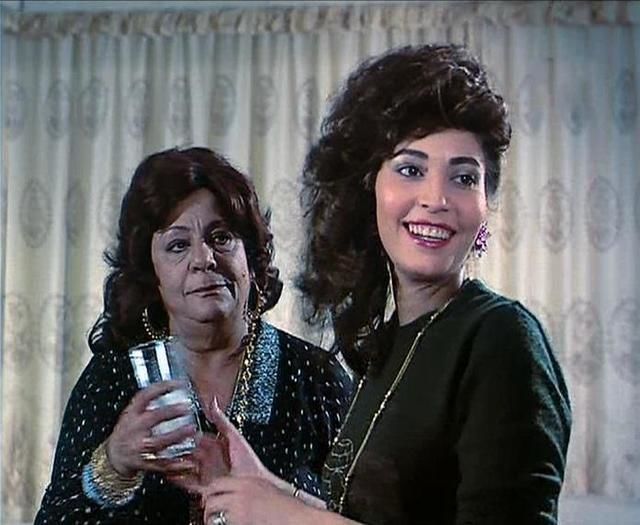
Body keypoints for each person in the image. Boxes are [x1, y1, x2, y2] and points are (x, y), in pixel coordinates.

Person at [197, 43, 572, 525]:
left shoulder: (502, 339)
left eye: (463, 178)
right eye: (411, 170)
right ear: (367, 189)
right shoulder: (387, 343)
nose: (436, 198)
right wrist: (268, 489)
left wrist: (285, 516)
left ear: (485, 206)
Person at [34, 147, 353, 524]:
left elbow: (359, 517)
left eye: (221, 237)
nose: (203, 259)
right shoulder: (112, 380)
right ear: (151, 273)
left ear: (251, 259)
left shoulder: (315, 378)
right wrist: (113, 464)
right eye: (178, 245)